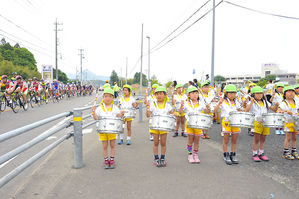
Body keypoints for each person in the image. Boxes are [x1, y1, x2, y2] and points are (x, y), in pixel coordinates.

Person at [92, 88, 125, 169]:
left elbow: (119, 116)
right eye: (106, 96)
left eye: (110, 96)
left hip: (112, 130)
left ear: (113, 98)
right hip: (102, 131)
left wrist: (121, 113)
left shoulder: (115, 107)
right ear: (103, 97)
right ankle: (106, 160)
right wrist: (93, 112)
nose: (108, 98)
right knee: (104, 146)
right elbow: (96, 118)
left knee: (113, 145)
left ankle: (112, 159)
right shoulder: (100, 108)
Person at [146, 86, 177, 167]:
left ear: (165, 95)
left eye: (161, 94)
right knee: (155, 143)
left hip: (164, 127)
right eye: (157, 94)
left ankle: (162, 158)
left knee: (163, 143)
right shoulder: (153, 104)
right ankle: (156, 158)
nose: (159, 95)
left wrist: (175, 113)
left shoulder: (167, 105)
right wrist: (147, 109)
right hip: (155, 126)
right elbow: (148, 115)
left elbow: (172, 113)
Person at [245, 86, 278, 162]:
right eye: (257, 93)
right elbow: (246, 110)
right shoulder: (251, 102)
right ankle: (254, 154)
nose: (260, 95)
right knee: (256, 140)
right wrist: (251, 102)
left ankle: (261, 153)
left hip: (265, 122)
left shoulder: (265, 102)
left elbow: (274, 110)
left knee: (263, 139)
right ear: (253, 94)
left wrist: (276, 105)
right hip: (257, 123)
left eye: (261, 93)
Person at [179, 86, 210, 163]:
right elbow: (180, 112)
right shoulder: (186, 103)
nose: (195, 95)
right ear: (189, 95)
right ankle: (190, 155)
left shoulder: (201, 103)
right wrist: (181, 106)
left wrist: (208, 108)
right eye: (193, 93)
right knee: (190, 140)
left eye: (196, 93)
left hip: (198, 125)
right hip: (189, 125)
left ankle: (195, 154)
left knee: (197, 141)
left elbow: (207, 112)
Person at [214, 84, 243, 165]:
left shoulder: (236, 102)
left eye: (234, 93)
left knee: (234, 140)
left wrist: (244, 108)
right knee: (226, 139)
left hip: (236, 122)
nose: (232, 95)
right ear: (226, 93)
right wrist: (219, 103)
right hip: (226, 122)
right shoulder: (223, 101)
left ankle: (233, 154)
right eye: (230, 93)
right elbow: (215, 111)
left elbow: (241, 110)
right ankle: (226, 154)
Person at [277, 86, 299, 160]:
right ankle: (285, 152)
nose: (291, 93)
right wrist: (286, 111)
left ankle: (294, 151)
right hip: (288, 122)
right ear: (285, 94)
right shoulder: (283, 103)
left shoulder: (296, 102)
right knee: (288, 137)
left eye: (292, 91)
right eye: (288, 91)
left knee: (295, 137)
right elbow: (278, 111)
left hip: (296, 122)